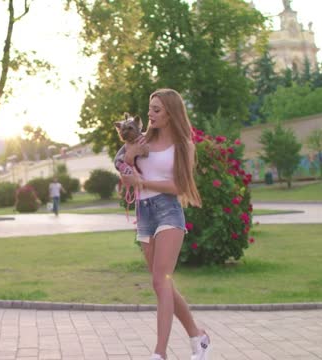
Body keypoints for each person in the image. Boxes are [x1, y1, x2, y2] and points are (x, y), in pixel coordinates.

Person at [120, 89, 211, 360]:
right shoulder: (142, 140)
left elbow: (179, 186)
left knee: (161, 281)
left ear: (171, 113)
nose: (150, 114)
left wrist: (143, 182)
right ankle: (198, 336)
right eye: (150, 108)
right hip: (144, 213)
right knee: (162, 285)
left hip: (168, 212)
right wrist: (127, 163)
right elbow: (125, 169)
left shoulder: (184, 146)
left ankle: (159, 354)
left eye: (157, 110)